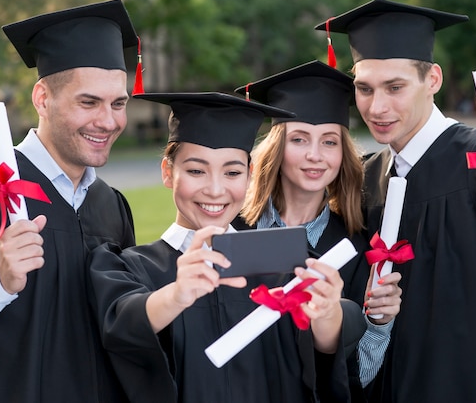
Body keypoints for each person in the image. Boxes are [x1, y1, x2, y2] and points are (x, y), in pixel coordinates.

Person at [314, 0, 476, 403]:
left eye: (395, 87)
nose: (378, 107)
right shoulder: (364, 180)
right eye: (364, 88)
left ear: (433, 80)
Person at [88, 91, 367, 403]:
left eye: (232, 172)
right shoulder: (131, 267)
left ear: (249, 176)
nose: (216, 189)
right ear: (168, 172)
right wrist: (176, 295)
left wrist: (328, 313)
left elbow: (331, 347)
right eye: (196, 170)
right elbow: (120, 327)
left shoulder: (283, 261)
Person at [0, 0, 138, 402]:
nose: (109, 121)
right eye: (88, 102)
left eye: (119, 103)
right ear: (42, 98)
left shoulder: (110, 205)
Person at [232, 60, 402, 398]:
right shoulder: (234, 232)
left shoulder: (356, 248)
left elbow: (360, 377)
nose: (315, 155)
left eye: (329, 141)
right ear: (277, 146)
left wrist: (380, 323)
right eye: (299, 139)